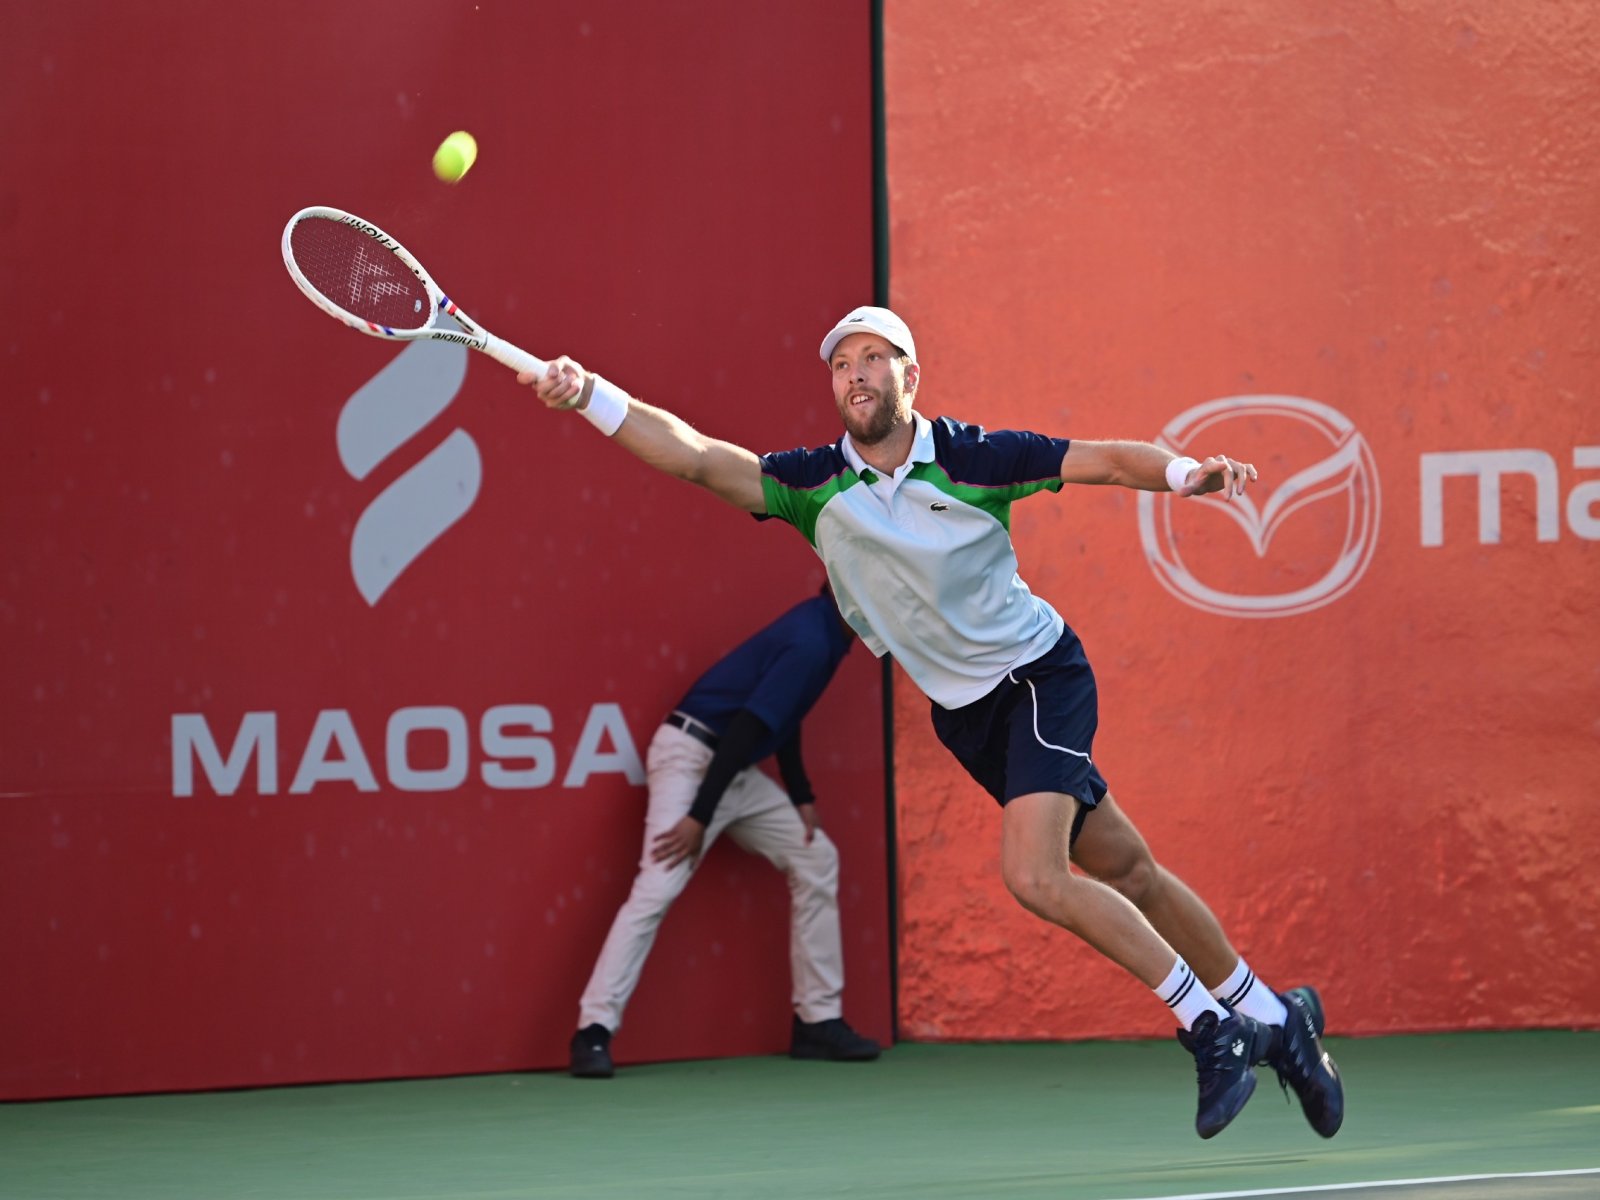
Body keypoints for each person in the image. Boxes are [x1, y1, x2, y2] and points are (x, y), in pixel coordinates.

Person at [524, 306, 1342, 1139]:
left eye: (873, 358)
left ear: (910, 375)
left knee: (1036, 877)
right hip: (967, 717)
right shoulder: (811, 486)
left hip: (1037, 678)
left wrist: (1185, 474)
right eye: (841, 364)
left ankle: (1210, 1026)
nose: (855, 374)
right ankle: (1277, 1018)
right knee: (1128, 870)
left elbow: (1104, 460)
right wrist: (589, 393)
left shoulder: (975, 457)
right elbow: (696, 457)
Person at [568, 586, 881, 1078]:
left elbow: (783, 714)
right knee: (657, 887)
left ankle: (817, 1021)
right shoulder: (811, 640)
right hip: (691, 760)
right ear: (853, 600)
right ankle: (593, 1030)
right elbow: (746, 728)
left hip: (730, 770)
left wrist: (801, 795)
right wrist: (699, 815)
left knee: (816, 858)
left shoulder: (824, 632)